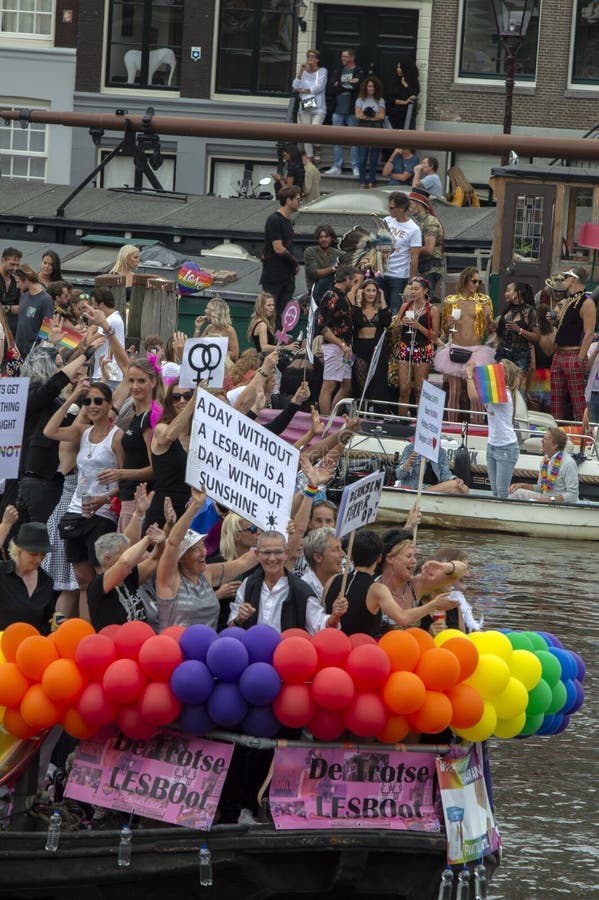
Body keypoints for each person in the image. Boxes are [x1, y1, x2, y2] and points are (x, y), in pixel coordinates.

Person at [44, 381, 124, 612]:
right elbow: (49, 431)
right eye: (88, 401)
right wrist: (72, 398)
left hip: (102, 511)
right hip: (76, 510)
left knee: (101, 574)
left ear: (109, 405)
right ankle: (84, 631)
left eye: (98, 401)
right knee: (81, 579)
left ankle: (105, 626)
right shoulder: (82, 431)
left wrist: (107, 498)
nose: (92, 405)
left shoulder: (117, 437)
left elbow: (125, 478)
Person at [323, 529, 460, 637]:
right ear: (384, 558)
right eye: (408, 556)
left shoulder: (332, 580)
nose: (414, 561)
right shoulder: (377, 588)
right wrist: (433, 605)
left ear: (351, 556)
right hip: (371, 658)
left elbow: (461, 570)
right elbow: (403, 618)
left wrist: (445, 567)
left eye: (415, 556)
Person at [156, 487, 257, 630]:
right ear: (181, 557)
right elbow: (173, 543)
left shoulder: (206, 574)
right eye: (195, 549)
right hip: (177, 650)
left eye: (202, 545)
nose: (203, 552)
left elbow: (243, 562)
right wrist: (195, 506)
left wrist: (277, 534)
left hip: (208, 649)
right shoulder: (169, 580)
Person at [229, 530, 347, 633]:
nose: (272, 558)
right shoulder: (249, 584)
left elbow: (321, 625)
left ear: (286, 553)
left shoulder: (300, 590)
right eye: (266, 553)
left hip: (285, 656)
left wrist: (335, 615)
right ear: (257, 555)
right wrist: (239, 618)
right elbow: (231, 626)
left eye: (278, 552)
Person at [435, 266, 495, 421]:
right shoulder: (451, 300)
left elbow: (491, 331)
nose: (477, 284)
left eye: (479, 281)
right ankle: (451, 428)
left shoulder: (484, 300)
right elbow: (445, 331)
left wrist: (489, 318)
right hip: (455, 348)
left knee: (475, 394)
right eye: (474, 281)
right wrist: (448, 324)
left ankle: (477, 429)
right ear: (465, 280)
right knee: (454, 392)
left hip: (477, 351)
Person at [88, 521, 166, 631]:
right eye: (126, 553)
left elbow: (155, 559)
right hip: (114, 646)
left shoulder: (129, 577)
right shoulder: (98, 584)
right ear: (107, 559)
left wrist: (161, 542)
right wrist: (147, 539)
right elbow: (125, 562)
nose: (133, 557)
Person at [466, 358, 521, 499]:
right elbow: (476, 394)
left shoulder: (505, 394)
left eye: (500, 368)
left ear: (506, 375)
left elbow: (474, 397)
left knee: (501, 492)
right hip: (493, 445)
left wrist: (469, 375)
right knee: (495, 491)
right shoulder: (495, 391)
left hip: (506, 447)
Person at [145, 380, 194, 527]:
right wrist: (193, 402)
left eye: (188, 396)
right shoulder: (161, 427)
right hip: (163, 509)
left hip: (191, 511)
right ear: (169, 402)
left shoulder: (200, 434)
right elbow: (169, 436)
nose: (182, 401)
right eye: (176, 397)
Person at [550, 266, 595, 421]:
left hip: (573, 353)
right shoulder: (569, 301)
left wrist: (580, 357)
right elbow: (567, 327)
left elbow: (589, 333)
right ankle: (555, 434)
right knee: (556, 400)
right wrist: (554, 321)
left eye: (567, 277)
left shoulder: (586, 303)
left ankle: (582, 436)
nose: (564, 280)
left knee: (578, 401)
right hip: (559, 354)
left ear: (574, 279)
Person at [388, 276, 439, 413]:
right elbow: (395, 331)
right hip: (406, 347)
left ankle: (419, 421)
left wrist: (418, 326)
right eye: (412, 289)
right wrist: (399, 325)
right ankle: (402, 420)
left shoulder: (432, 309)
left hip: (423, 349)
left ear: (425, 291)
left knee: (419, 389)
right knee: (404, 389)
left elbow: (434, 336)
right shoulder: (405, 306)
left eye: (416, 289)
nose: (413, 292)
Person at [317, 264, 358, 415]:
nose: (354, 285)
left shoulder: (343, 296)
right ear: (346, 279)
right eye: (353, 281)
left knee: (347, 386)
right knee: (329, 385)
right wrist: (341, 344)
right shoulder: (330, 296)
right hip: (335, 347)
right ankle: (325, 419)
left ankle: (333, 415)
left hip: (345, 348)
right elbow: (322, 328)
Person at [0, 522, 55, 633]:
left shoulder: (46, 580)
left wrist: (56, 623)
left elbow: (48, 618)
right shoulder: (2, 572)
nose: (39, 559)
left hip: (32, 645)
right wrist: (6, 524)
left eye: (43, 554)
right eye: (33, 554)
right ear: (18, 550)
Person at [259, 185, 301, 327]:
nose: (299, 202)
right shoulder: (274, 219)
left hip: (287, 277)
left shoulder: (288, 221)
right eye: (297, 199)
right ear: (289, 200)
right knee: (269, 312)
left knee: (283, 315)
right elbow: (278, 247)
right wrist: (294, 262)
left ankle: (279, 343)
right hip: (274, 275)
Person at [509, 427, 579, 503]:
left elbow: (573, 495)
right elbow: (540, 488)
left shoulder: (568, 463)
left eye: (545, 438)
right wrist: (522, 486)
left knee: (530, 500)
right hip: (546, 500)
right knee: (515, 492)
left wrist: (550, 499)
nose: (541, 440)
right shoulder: (545, 460)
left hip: (561, 504)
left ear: (554, 445)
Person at [324, 48, 364, 177]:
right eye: (342, 56)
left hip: (352, 109)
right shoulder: (338, 71)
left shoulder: (358, 71)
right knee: (336, 139)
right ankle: (337, 165)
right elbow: (331, 88)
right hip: (338, 109)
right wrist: (347, 84)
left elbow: (358, 87)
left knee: (354, 140)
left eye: (345, 57)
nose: (343, 59)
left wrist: (340, 84)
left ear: (352, 58)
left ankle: (355, 166)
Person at [351, 278, 392, 399]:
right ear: (363, 292)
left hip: (377, 349)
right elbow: (356, 322)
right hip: (360, 349)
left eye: (374, 291)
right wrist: (358, 301)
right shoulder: (357, 308)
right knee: (360, 382)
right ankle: (361, 411)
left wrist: (383, 298)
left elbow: (387, 322)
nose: (371, 293)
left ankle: (377, 412)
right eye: (368, 290)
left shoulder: (380, 308)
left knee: (378, 382)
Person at [382, 192, 422, 312]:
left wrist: (410, 282)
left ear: (401, 208)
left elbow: (414, 257)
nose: (389, 209)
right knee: (381, 310)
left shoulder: (414, 229)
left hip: (399, 276)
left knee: (396, 310)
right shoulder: (386, 221)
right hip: (383, 272)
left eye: (392, 208)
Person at [493, 282, 538, 380]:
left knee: (514, 387)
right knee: (501, 386)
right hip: (503, 354)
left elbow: (537, 337)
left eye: (508, 291)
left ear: (518, 293)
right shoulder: (507, 311)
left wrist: (519, 330)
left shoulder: (530, 311)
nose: (505, 293)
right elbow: (498, 333)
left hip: (520, 355)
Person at [407, 187, 445, 298]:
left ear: (419, 204)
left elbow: (428, 249)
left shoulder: (430, 221)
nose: (408, 208)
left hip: (430, 267)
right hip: (419, 266)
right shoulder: (415, 222)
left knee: (425, 301)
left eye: (410, 204)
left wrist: (408, 250)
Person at [292, 49, 328, 161]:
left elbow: (319, 87)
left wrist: (303, 90)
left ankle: (317, 146)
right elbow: (294, 86)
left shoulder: (322, 71)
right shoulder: (303, 73)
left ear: (317, 59)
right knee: (306, 133)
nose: (310, 59)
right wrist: (300, 72)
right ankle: (310, 157)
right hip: (305, 107)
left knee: (315, 129)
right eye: (308, 57)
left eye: (312, 57)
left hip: (319, 107)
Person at [395, 443, 469, 494]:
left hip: (432, 489)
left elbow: (445, 475)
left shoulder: (441, 452)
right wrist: (407, 463)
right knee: (455, 485)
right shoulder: (410, 448)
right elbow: (399, 475)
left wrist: (456, 479)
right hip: (414, 490)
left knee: (464, 489)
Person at [14, 264, 53, 357]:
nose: (17, 286)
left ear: (26, 280)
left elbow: (46, 327)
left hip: (33, 353)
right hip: (17, 350)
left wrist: (39, 351)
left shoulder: (46, 299)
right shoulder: (23, 296)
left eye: (18, 282)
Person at [355, 76, 385, 189]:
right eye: (369, 86)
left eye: (373, 86)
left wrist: (367, 115)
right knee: (362, 157)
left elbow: (381, 116)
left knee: (374, 158)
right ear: (365, 87)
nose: (371, 88)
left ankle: (372, 181)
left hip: (376, 129)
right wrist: (372, 115)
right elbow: (358, 115)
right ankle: (362, 181)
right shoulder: (360, 100)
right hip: (363, 128)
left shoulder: (380, 100)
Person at [90, 286, 126, 383]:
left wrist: (90, 329)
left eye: (93, 304)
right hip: (111, 373)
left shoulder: (109, 321)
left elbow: (88, 343)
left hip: (106, 374)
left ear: (101, 304)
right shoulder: (116, 318)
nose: (93, 308)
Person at [301, 527, 345, 602]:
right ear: (318, 557)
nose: (343, 554)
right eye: (336, 549)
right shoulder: (303, 590)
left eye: (341, 548)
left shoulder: (344, 582)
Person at [194, 296, 240, 364]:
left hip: (222, 367)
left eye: (207, 308)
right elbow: (196, 346)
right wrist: (198, 328)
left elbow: (235, 355)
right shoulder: (210, 327)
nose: (205, 311)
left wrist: (213, 351)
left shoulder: (229, 330)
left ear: (214, 312)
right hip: (206, 364)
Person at [303, 225, 341, 297]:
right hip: (315, 293)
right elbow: (314, 273)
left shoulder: (338, 253)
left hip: (333, 293)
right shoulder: (310, 251)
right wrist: (333, 269)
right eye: (321, 237)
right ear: (317, 238)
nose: (323, 239)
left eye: (326, 236)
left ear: (331, 238)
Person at [385, 58, 419, 132]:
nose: (398, 69)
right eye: (397, 67)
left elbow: (414, 94)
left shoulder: (414, 82)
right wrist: (405, 102)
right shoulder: (393, 81)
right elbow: (390, 99)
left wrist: (405, 84)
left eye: (400, 67)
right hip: (394, 116)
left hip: (407, 117)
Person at [0, 245, 22, 336]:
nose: (15, 268)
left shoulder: (16, 281)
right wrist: (9, 308)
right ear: (3, 260)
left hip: (12, 330)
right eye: (12, 264)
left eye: (17, 265)